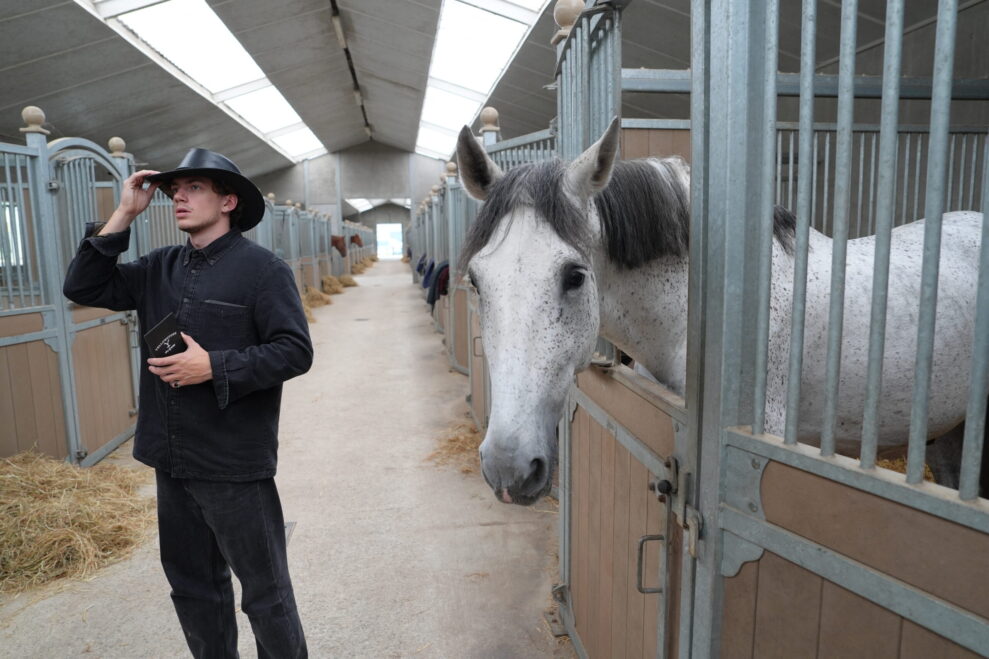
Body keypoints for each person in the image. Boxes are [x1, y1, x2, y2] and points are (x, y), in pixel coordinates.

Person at [63, 149, 312, 658]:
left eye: (193, 187)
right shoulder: (159, 266)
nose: (178, 195)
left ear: (227, 201)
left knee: (265, 593)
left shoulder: (263, 270)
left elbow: (295, 351)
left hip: (233, 462)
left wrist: (214, 366)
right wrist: (125, 212)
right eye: (176, 189)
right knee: (193, 587)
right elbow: (82, 285)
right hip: (171, 458)